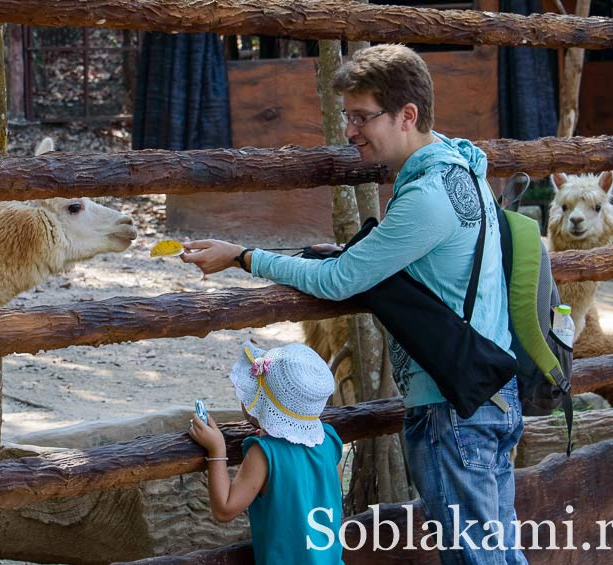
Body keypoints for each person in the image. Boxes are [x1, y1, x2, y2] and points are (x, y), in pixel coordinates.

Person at [181, 44, 527, 564]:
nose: (350, 130)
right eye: (348, 116)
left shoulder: (427, 194)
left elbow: (340, 280)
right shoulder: (465, 166)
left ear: (407, 115)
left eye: (363, 117)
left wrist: (244, 256)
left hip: (450, 411)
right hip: (493, 394)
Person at [188, 341, 344, 564]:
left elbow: (224, 509)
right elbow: (329, 484)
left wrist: (217, 448)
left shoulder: (264, 453)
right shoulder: (329, 441)